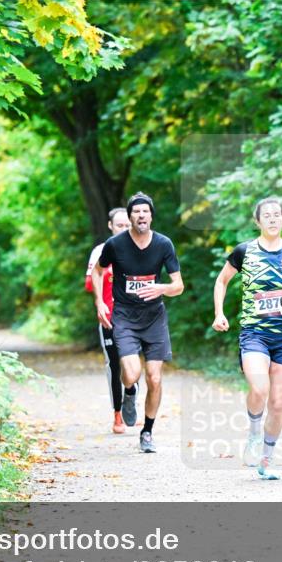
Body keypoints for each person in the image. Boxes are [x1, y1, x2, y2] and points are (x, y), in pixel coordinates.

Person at [212, 197, 282, 480]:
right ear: (257, 221)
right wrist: (219, 313)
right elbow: (222, 280)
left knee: (279, 403)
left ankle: (267, 460)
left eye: (277, 215)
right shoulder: (244, 251)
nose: (272, 219)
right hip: (255, 333)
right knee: (259, 389)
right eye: (267, 215)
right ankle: (254, 432)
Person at [92, 192, 183, 453]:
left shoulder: (164, 244)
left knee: (155, 378)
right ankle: (129, 391)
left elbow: (179, 285)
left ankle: (147, 432)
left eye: (145, 211)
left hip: (154, 317)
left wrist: (161, 288)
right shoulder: (115, 244)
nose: (141, 215)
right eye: (136, 211)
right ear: (130, 216)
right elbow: (98, 271)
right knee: (131, 374)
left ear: (151, 216)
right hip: (124, 317)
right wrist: (100, 302)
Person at [85, 208, 133, 434]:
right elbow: (89, 283)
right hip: (109, 317)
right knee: (114, 364)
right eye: (119, 225)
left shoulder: (139, 248)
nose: (123, 229)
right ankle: (117, 414)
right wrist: (100, 304)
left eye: (127, 225)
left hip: (134, 318)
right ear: (110, 226)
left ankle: (131, 394)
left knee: (130, 364)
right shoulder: (100, 252)